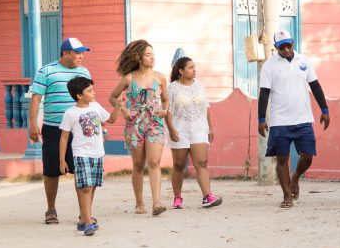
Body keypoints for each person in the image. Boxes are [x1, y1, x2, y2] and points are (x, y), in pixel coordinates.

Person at [257, 30, 330, 208]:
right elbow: (264, 93)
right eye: (282, 47)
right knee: (282, 159)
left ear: (293, 43)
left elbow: (315, 85)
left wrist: (324, 109)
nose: (287, 49)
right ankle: (287, 195)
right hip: (280, 121)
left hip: (303, 118)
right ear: (276, 48)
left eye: (289, 45)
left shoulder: (304, 61)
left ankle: (295, 176)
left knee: (307, 155)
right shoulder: (269, 66)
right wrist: (261, 118)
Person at [29, 37, 92, 225]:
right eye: (77, 53)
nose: (81, 56)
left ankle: (84, 214)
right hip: (53, 128)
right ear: (65, 53)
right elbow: (36, 99)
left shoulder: (83, 71)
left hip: (80, 128)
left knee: (80, 170)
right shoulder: (46, 71)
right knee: (51, 171)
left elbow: (89, 98)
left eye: (82, 53)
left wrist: (98, 126)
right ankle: (51, 209)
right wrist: (33, 123)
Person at [109, 39, 169, 216]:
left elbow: (165, 100)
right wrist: (123, 109)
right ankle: (139, 202)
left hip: (155, 123)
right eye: (148, 55)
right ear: (139, 57)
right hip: (134, 125)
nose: (152, 58)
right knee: (138, 165)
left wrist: (165, 111)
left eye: (153, 54)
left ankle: (157, 202)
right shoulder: (128, 78)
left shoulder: (160, 78)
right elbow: (112, 97)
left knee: (154, 162)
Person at [59, 76, 118, 236]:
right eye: (89, 91)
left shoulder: (96, 106)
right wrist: (62, 159)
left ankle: (84, 220)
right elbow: (64, 137)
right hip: (81, 154)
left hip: (98, 153)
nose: (93, 93)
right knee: (85, 188)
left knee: (91, 188)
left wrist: (118, 106)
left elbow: (111, 119)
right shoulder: (70, 113)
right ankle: (88, 223)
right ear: (79, 95)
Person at [165, 57, 222, 209]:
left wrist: (210, 127)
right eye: (190, 67)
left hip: (199, 129)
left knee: (201, 163)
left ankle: (208, 196)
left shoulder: (200, 86)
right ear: (181, 71)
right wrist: (171, 129)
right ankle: (177, 198)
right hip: (180, 130)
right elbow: (167, 111)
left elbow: (206, 108)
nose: (194, 70)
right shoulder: (171, 88)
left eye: (194, 67)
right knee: (178, 165)